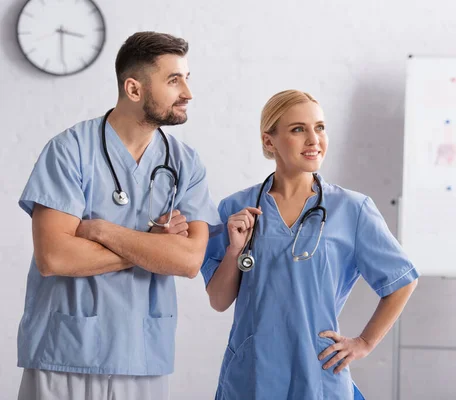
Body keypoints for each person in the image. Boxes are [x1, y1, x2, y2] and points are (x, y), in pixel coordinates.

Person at [16, 32, 221, 400]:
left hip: (143, 354)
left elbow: (189, 260)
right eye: (174, 80)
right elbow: (54, 256)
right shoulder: (69, 151)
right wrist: (154, 248)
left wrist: (101, 230)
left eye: (187, 79)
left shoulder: (185, 164)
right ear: (134, 88)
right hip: (65, 352)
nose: (188, 93)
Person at [201, 90, 419, 399]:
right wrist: (235, 249)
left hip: (319, 370)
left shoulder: (352, 209)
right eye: (298, 129)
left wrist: (364, 342)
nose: (313, 138)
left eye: (320, 127)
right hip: (253, 372)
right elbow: (219, 300)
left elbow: (401, 281)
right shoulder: (236, 207)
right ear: (268, 141)